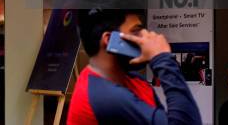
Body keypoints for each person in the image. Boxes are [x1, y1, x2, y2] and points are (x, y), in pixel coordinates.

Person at [66, 9, 202, 125]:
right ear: (109, 40)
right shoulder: (104, 97)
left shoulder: (137, 82)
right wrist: (163, 59)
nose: (146, 38)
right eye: (137, 32)